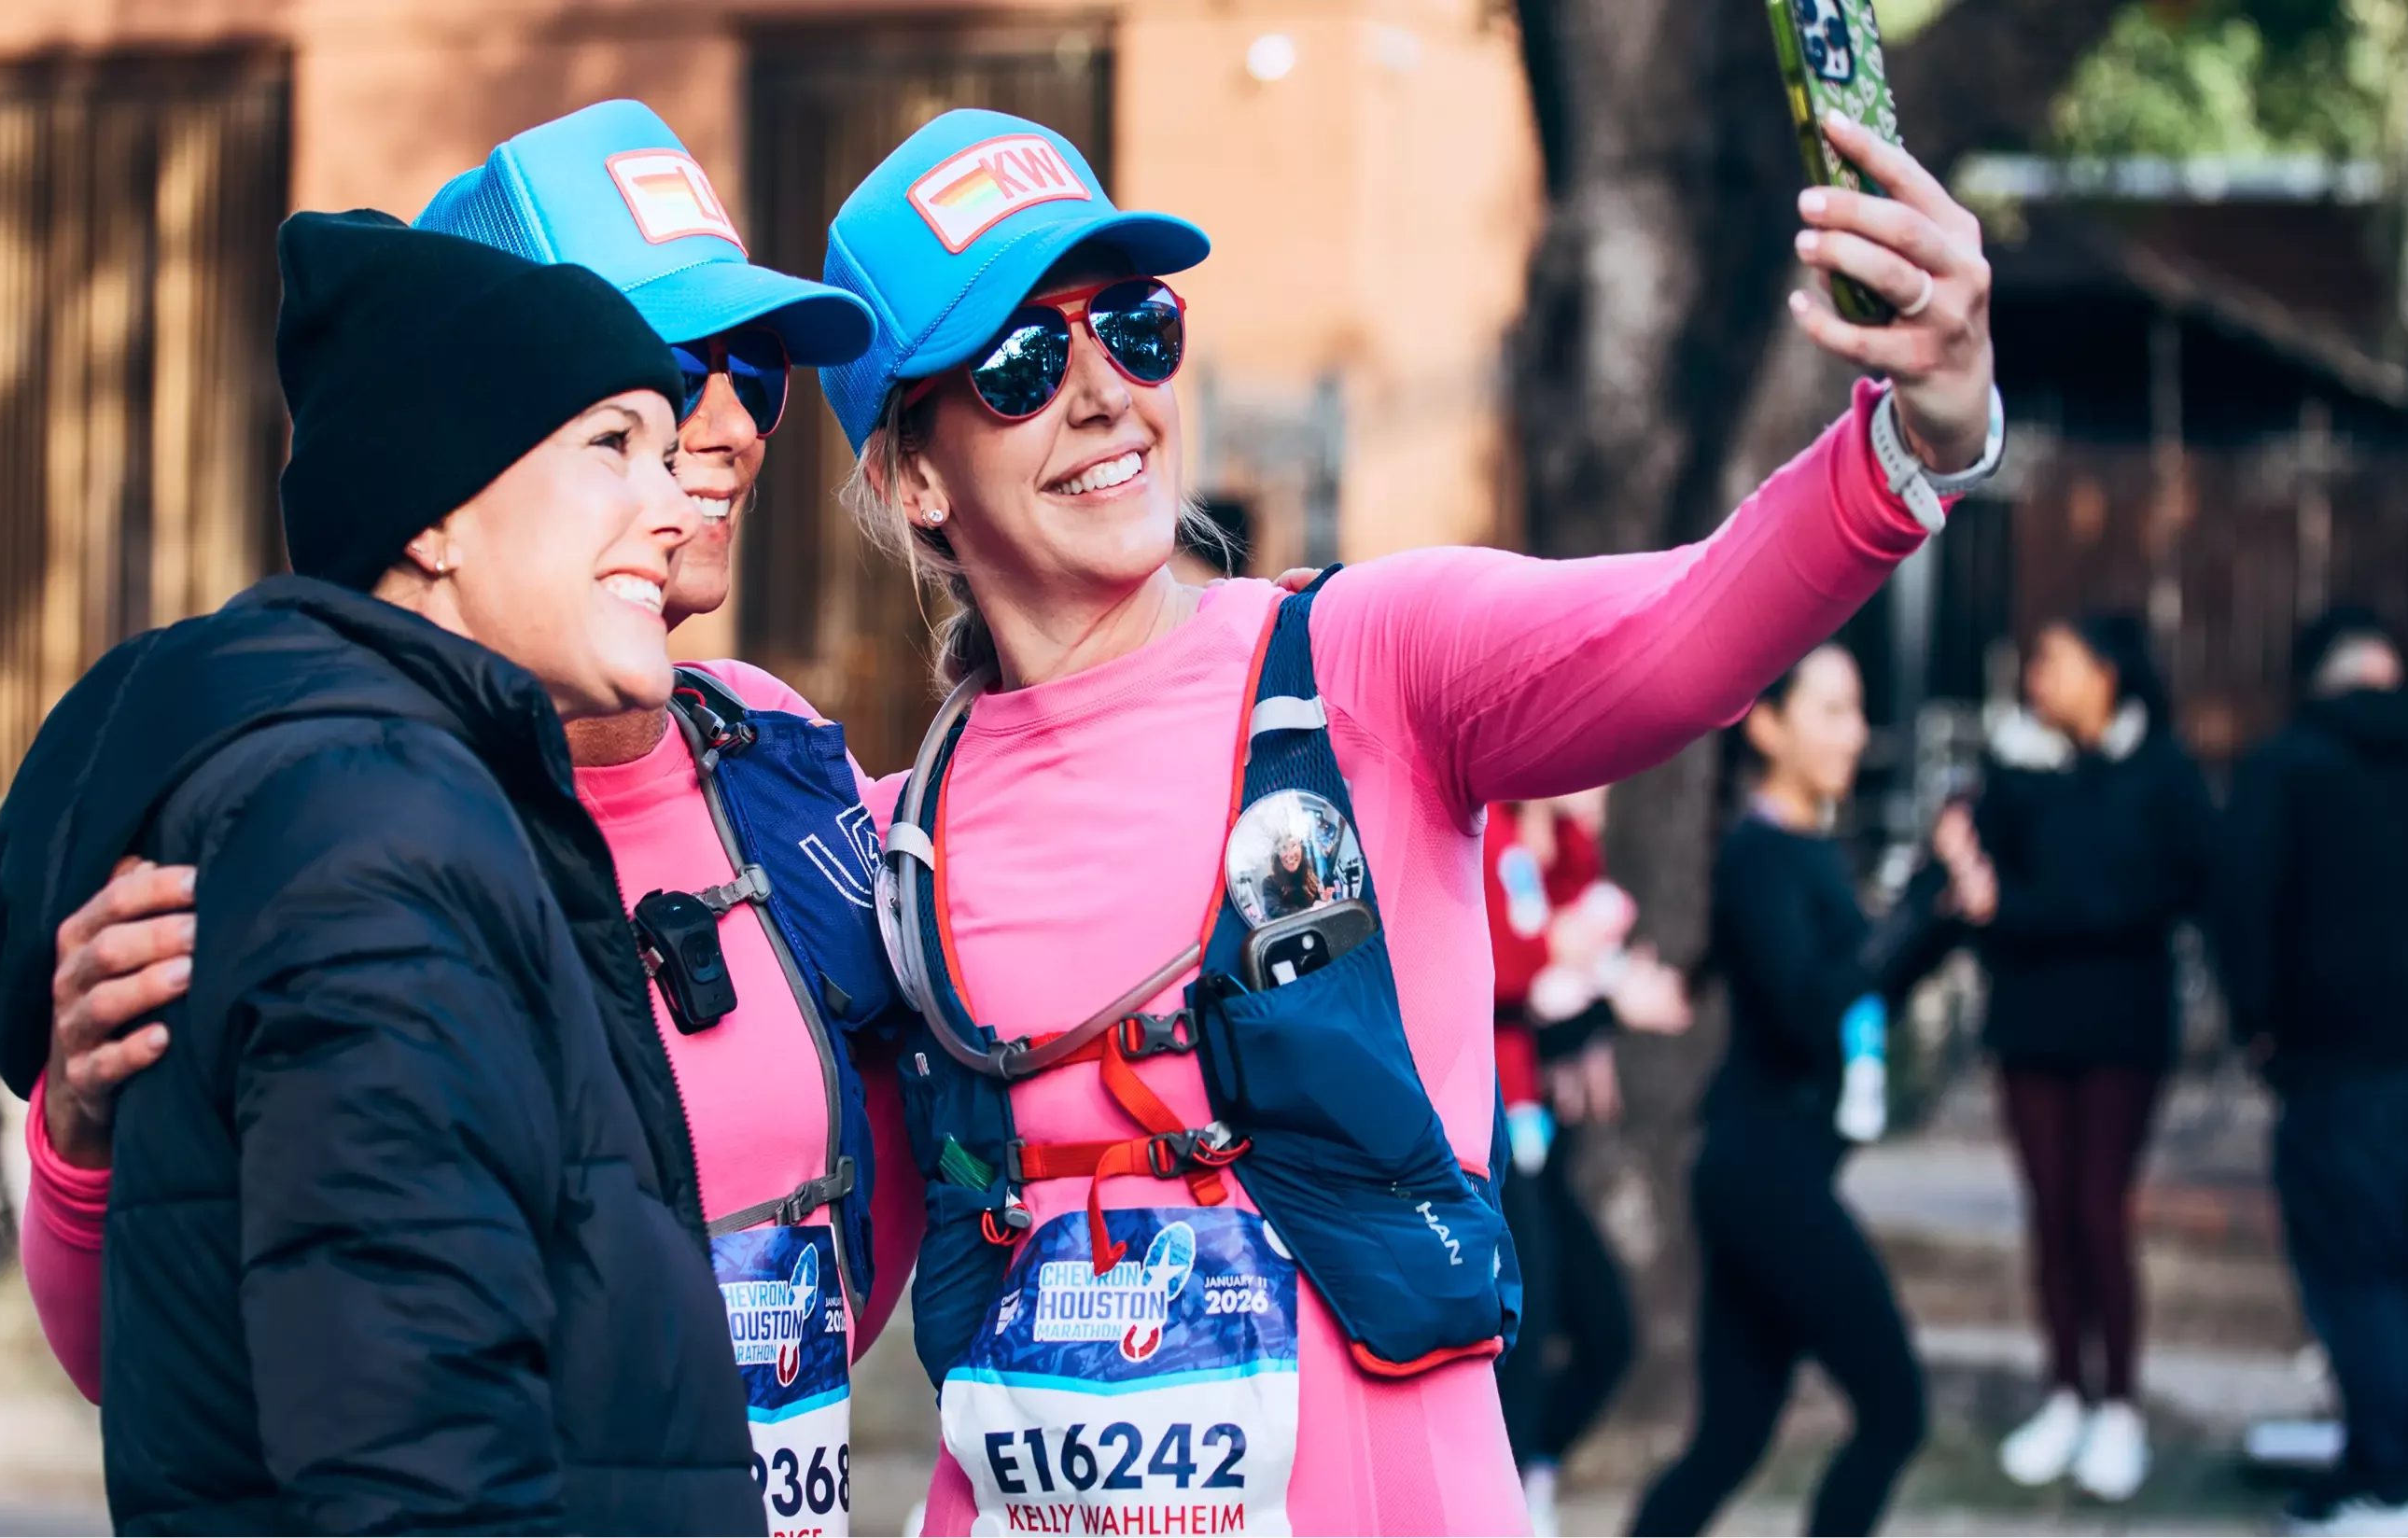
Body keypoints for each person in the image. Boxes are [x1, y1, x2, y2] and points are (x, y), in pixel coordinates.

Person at [818, 103, 1999, 1535]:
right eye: (1018, 363)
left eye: (1131, 328)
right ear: (912, 475)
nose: (1103, 395)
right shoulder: (892, 846)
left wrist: (1919, 435)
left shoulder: (1364, 669)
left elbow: (1684, 632)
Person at [10, 105, 924, 1536]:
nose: (726, 430)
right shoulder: (357, 827)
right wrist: (80, 1133)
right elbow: (155, 1354)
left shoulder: (777, 756)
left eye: (754, 376)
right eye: (649, 384)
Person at [1628, 647, 1975, 1538]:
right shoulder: (1757, 855)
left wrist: (1946, 923)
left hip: (1777, 1170)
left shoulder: (1811, 849)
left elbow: (1862, 989)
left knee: (1729, 1440)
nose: (1854, 734)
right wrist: (1926, 896)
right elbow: (1813, 1009)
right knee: (1893, 1412)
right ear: (1770, 725)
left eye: (1857, 712)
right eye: (1831, 712)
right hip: (1762, 1174)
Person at [2215, 608, 2408, 1538]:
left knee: (2354, 1280)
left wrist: (2257, 1029)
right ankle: (2387, 1458)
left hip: (2338, 1072)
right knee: (2403, 1271)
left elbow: (2238, 911)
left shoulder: (2282, 772)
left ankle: (2389, 1483)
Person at [1944, 611, 2214, 1502]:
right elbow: (1980, 893)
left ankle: (2120, 1406)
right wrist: (1991, 892)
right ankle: (2066, 1392)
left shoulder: (2163, 771)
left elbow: (2163, 890)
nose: (2037, 678)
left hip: (2121, 1029)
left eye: (2053, 661)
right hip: (2030, 1023)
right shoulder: (2012, 770)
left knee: (2100, 1209)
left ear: (2107, 672)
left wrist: (2025, 911)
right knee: (2050, 1214)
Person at [1484, 791, 1690, 1538]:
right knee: (1525, 1328)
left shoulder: (1561, 847)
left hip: (1540, 1130)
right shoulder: (1491, 833)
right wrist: (1593, 986)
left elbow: (1564, 961)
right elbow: (1507, 973)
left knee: (1604, 1330)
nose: (1604, 784)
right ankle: (1500, 1499)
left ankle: (1527, 1478)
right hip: (1496, 1126)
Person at [1261, 837, 1327, 918]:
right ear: (1277, 854)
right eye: (1284, 848)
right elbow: (1274, 911)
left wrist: (1322, 900)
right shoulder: (1270, 883)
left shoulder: (1309, 875)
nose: (1291, 854)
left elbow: (1317, 903)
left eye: (1294, 846)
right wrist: (1310, 911)